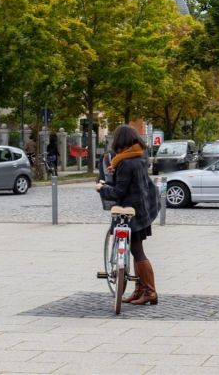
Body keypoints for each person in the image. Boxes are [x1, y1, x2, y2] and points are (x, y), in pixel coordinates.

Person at [96, 125, 160, 305]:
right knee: (136, 250)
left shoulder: (125, 162)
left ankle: (150, 292)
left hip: (131, 212)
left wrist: (102, 188)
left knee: (138, 252)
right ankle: (139, 290)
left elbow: (118, 192)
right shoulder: (139, 156)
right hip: (143, 207)